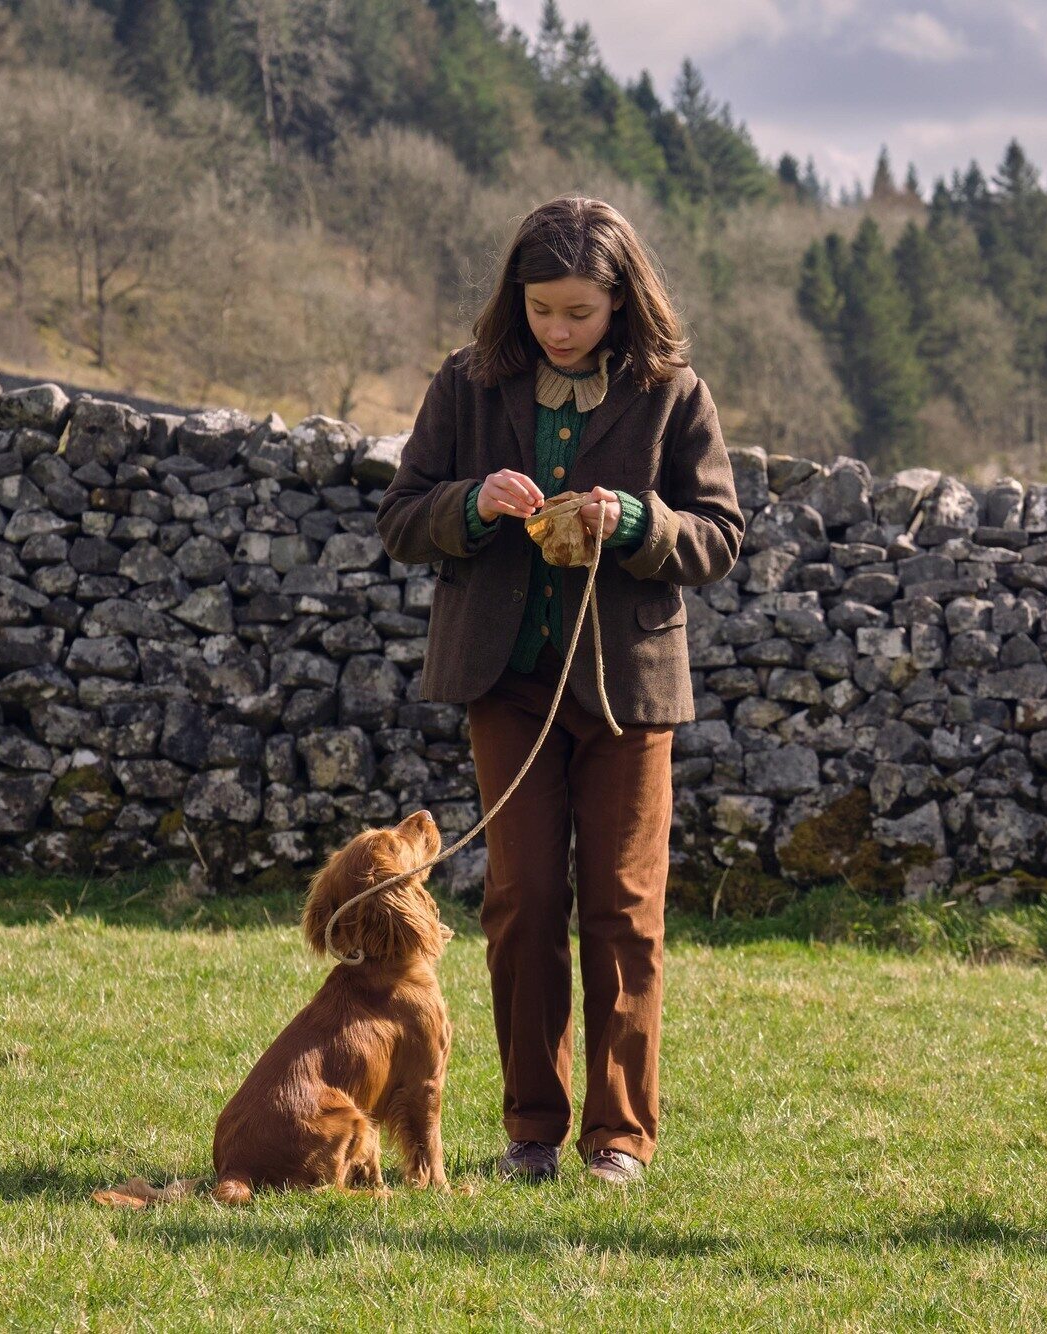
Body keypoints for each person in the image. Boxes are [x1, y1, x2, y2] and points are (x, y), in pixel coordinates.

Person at [377, 195, 744, 1186]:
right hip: (505, 683)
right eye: (541, 309)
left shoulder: (675, 393)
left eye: (578, 311)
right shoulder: (466, 382)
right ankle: (532, 1133)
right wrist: (470, 502)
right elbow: (401, 517)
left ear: (622, 301)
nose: (558, 329)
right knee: (524, 901)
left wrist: (640, 523)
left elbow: (719, 537)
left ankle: (619, 1139)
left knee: (623, 907)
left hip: (628, 691)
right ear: (516, 297)